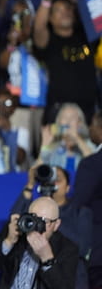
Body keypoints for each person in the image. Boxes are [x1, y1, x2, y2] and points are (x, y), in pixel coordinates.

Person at [10, 165, 93, 289]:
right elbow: (14, 221)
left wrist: (50, 220)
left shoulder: (80, 212)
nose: (52, 183)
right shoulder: (36, 212)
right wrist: (29, 186)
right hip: (39, 278)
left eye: (58, 179)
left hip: (72, 277)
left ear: (68, 188)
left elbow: (82, 247)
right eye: (49, 179)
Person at [0, 196, 79, 289]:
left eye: (44, 221)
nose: (37, 226)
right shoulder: (16, 235)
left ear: (56, 224)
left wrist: (47, 259)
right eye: (33, 218)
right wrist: (8, 242)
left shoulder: (67, 249)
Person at [72, 110, 102, 289]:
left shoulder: (92, 164)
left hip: (98, 255)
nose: (89, 129)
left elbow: (79, 202)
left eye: (92, 124)